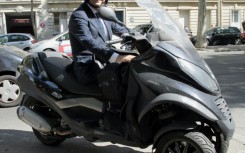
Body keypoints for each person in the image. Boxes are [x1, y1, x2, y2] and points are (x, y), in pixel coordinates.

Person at [69, 0, 135, 85]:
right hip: (89, 67)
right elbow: (87, 40)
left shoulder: (104, 13)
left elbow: (121, 29)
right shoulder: (79, 15)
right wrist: (116, 57)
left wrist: (139, 36)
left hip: (103, 62)